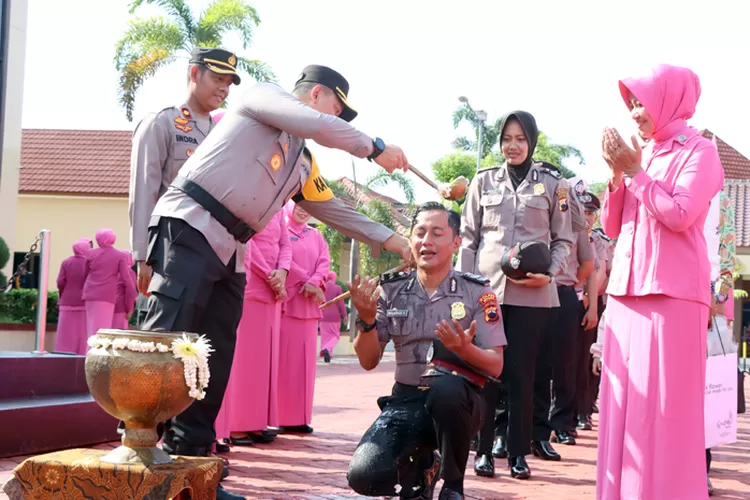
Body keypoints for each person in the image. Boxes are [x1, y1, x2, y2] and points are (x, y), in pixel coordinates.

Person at [139, 64, 411, 500]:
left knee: (211, 356)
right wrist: (373, 147)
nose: (336, 121)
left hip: (231, 249)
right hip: (190, 225)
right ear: (317, 94)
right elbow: (318, 125)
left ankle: (190, 467)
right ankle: (136, 457)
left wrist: (393, 238)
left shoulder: (302, 159)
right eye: (337, 110)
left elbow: (333, 209)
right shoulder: (262, 99)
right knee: (168, 338)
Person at [598, 64, 723, 500]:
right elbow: (612, 227)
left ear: (670, 100)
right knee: (622, 408)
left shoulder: (700, 152)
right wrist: (617, 175)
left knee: (668, 415)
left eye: (642, 102)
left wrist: (635, 172)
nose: (635, 113)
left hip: (674, 299)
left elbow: (680, 215)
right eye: (631, 104)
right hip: (625, 298)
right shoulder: (642, 153)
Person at [347, 202, 506, 500]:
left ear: (456, 242)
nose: (426, 241)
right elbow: (368, 361)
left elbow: (496, 366)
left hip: (461, 403)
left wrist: (465, 349)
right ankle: (423, 470)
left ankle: (453, 484)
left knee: (446, 390)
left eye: (437, 233)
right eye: (419, 232)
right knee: (363, 476)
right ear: (410, 240)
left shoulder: (478, 293)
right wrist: (366, 322)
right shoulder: (391, 291)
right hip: (405, 400)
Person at [458, 110, 576, 479]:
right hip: (488, 292)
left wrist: (551, 274)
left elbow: (564, 239)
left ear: (532, 142)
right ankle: (483, 450)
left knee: (523, 375)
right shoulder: (483, 181)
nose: (513, 146)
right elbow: (468, 238)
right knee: (486, 373)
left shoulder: (554, 185)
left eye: (520, 139)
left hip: (534, 295)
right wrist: (465, 290)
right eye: (507, 139)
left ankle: (518, 452)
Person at [129, 46, 239, 295]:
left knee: (202, 334)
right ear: (194, 74)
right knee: (167, 330)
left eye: (229, 82)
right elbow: (144, 190)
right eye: (218, 78)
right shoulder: (162, 122)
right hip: (169, 251)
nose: (224, 88)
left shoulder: (221, 134)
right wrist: (143, 255)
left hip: (211, 259)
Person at [216, 208, 290, 447]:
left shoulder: (279, 212)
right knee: (244, 361)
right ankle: (237, 424)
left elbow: (285, 244)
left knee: (262, 361)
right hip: (251, 286)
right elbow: (248, 244)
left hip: (272, 291)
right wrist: (270, 274)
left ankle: (256, 421)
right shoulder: (251, 204)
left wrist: (283, 271)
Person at [277, 201, 330, 433]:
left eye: (309, 205)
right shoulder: (281, 229)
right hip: (287, 304)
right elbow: (279, 258)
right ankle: (278, 417)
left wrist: (314, 281)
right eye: (298, 203)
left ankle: (300, 417)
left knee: (305, 366)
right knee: (283, 364)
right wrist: (302, 278)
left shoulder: (316, 235)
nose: (303, 209)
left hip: (308, 306)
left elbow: (324, 262)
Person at [705, 188, 736, 496]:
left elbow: (727, 264)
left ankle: (701, 469)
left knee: (706, 394)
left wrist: (717, 300)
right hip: (669, 303)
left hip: (709, 312)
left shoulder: (721, 200)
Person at [83, 229, 132, 339]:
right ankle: (95, 354)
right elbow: (127, 280)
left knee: (92, 329)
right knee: (102, 330)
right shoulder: (119, 256)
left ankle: (90, 352)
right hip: (106, 295)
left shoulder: (90, 253)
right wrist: (132, 299)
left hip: (90, 294)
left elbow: (84, 274)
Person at [55, 238, 92, 354]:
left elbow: (60, 282)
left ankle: (62, 354)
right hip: (84, 303)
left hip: (66, 301)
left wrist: (61, 295)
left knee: (65, 333)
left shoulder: (66, 262)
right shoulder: (90, 262)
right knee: (83, 334)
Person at [320, 271, 347, 362]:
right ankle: (327, 349)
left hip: (323, 316)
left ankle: (328, 354)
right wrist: (345, 315)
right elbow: (341, 303)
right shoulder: (337, 288)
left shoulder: (322, 287)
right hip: (334, 317)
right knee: (335, 335)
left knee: (325, 335)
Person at [113, 251, 138, 329]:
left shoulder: (114, 270)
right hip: (121, 307)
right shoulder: (129, 272)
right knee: (119, 336)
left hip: (109, 305)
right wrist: (130, 309)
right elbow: (129, 292)